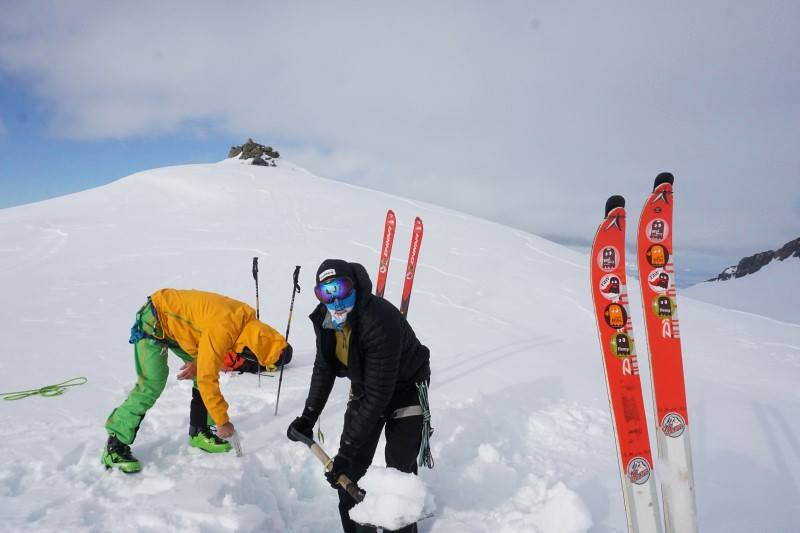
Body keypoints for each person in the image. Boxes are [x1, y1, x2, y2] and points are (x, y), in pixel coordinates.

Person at [287, 260, 431, 533]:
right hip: (367, 383)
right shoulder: (325, 319)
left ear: (355, 286)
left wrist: (345, 450)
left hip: (407, 386)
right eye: (325, 293)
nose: (335, 301)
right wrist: (308, 417)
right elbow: (324, 368)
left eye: (340, 289)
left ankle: (400, 527)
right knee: (349, 472)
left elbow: (379, 396)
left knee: (398, 473)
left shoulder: (379, 320)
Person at [102, 288, 292, 473]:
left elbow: (201, 332)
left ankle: (199, 432)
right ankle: (115, 445)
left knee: (202, 369)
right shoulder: (224, 330)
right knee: (152, 383)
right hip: (154, 320)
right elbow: (207, 378)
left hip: (178, 327)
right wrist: (222, 422)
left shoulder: (244, 320)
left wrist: (199, 362)